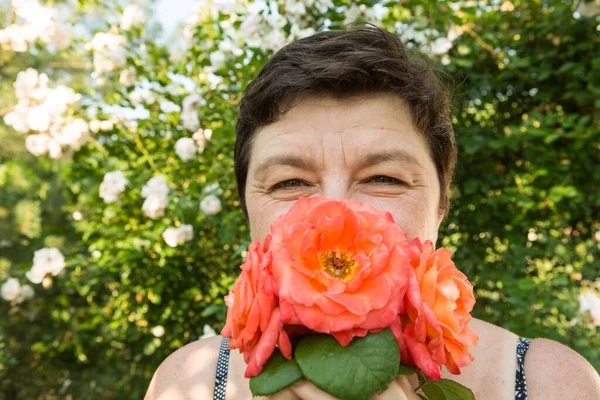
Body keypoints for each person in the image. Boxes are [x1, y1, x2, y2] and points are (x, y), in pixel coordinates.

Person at [144, 25, 600, 400]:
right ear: (247, 208)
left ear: (442, 203)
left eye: (384, 178)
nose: (337, 212)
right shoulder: (189, 383)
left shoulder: (551, 384)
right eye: (289, 183)